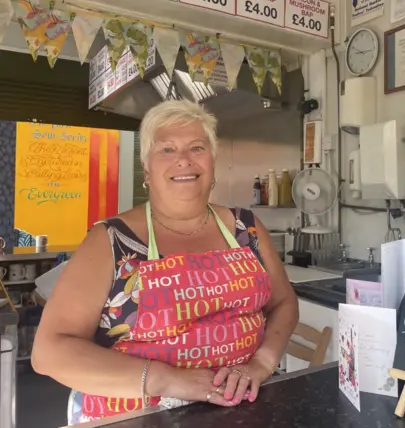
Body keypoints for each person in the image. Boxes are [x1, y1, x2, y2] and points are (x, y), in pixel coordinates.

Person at [32, 100, 299, 424]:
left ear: (212, 162)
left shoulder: (247, 228)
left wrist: (262, 363)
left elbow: (284, 302)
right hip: (135, 416)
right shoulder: (111, 241)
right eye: (167, 150)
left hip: (241, 411)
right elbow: (50, 352)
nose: (184, 160)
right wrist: (165, 379)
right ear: (147, 168)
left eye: (197, 147)